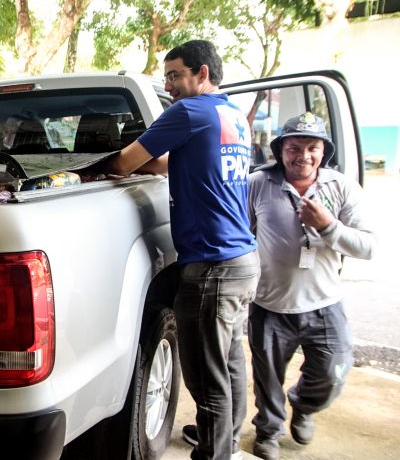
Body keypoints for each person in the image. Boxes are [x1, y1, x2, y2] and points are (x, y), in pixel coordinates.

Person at [109, 39, 259, 460]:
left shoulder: (189, 112)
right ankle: (225, 442)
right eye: (167, 76)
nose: (169, 84)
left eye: (175, 75)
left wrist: (89, 166)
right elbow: (172, 162)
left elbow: (124, 164)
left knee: (206, 382)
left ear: (202, 74)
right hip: (242, 260)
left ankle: (214, 455)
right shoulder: (231, 115)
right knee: (229, 365)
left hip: (212, 268)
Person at [246, 112, 375, 460]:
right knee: (267, 379)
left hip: (325, 304)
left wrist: (330, 226)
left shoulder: (341, 187)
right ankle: (268, 431)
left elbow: (368, 246)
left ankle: (303, 406)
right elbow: (242, 233)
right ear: (280, 150)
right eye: (294, 147)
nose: (303, 155)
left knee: (333, 372)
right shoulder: (258, 183)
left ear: (324, 151)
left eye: (312, 147)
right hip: (270, 304)